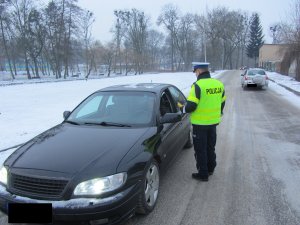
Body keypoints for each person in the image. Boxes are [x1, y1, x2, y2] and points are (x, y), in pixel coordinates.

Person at [179, 62, 226, 181]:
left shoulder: (197, 86)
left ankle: (203, 174)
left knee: (200, 149)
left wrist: (182, 108)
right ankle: (211, 168)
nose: (195, 74)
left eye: (195, 72)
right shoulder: (218, 84)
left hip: (200, 125)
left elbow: (191, 106)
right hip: (213, 123)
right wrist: (217, 113)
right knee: (210, 147)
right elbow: (223, 102)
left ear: (199, 71)